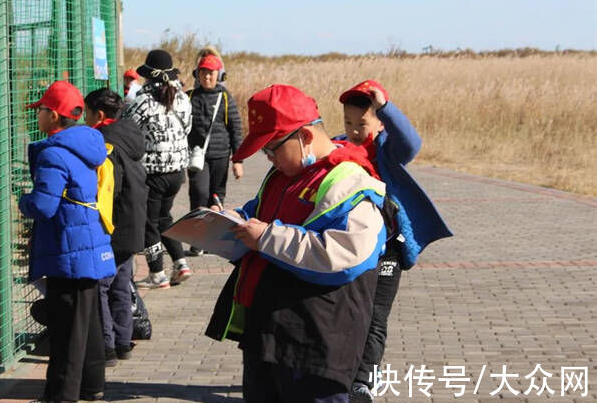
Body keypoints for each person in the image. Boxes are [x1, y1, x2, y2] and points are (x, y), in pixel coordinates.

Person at [205, 84, 388, 403]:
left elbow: (346, 255)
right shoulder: (282, 176)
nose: (270, 158)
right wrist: (230, 219)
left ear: (304, 137)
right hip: (269, 339)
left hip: (317, 345)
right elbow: (259, 212)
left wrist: (266, 238)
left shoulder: (350, 181)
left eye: (273, 148)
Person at [335, 79, 453, 402]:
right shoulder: (338, 148)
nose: (354, 130)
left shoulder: (387, 149)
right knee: (348, 314)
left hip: (388, 249)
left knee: (376, 316)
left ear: (378, 122)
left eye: (362, 123)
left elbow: (412, 143)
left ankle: (363, 382)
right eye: (348, 122)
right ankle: (339, 374)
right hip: (350, 248)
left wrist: (386, 106)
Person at [19, 80, 116, 402]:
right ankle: (91, 385)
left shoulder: (54, 153)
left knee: (65, 333)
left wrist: (22, 202)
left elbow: (44, 206)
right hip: (86, 245)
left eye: (42, 110)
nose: (38, 116)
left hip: (67, 250)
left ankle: (60, 395)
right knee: (86, 325)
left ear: (55, 115)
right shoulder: (87, 144)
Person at [84, 87, 147, 367]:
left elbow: (110, 188)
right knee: (122, 283)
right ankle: (123, 342)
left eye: (86, 113)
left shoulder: (103, 143)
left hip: (114, 224)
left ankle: (106, 346)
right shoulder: (130, 135)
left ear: (98, 114)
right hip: (133, 222)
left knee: (102, 286)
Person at [122, 49, 193, 289]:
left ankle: (157, 274)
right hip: (177, 172)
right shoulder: (183, 98)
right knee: (164, 218)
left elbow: (127, 129)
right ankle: (181, 263)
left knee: (148, 223)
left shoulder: (144, 101)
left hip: (153, 172)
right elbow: (188, 128)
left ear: (148, 75)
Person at [186, 50, 243, 256]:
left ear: (218, 75)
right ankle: (196, 238)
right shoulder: (189, 97)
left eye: (211, 73)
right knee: (198, 192)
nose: (207, 77)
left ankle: (212, 238)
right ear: (197, 74)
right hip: (196, 158)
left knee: (216, 196)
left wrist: (238, 159)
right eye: (203, 73)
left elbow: (235, 128)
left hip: (220, 155)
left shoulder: (225, 98)